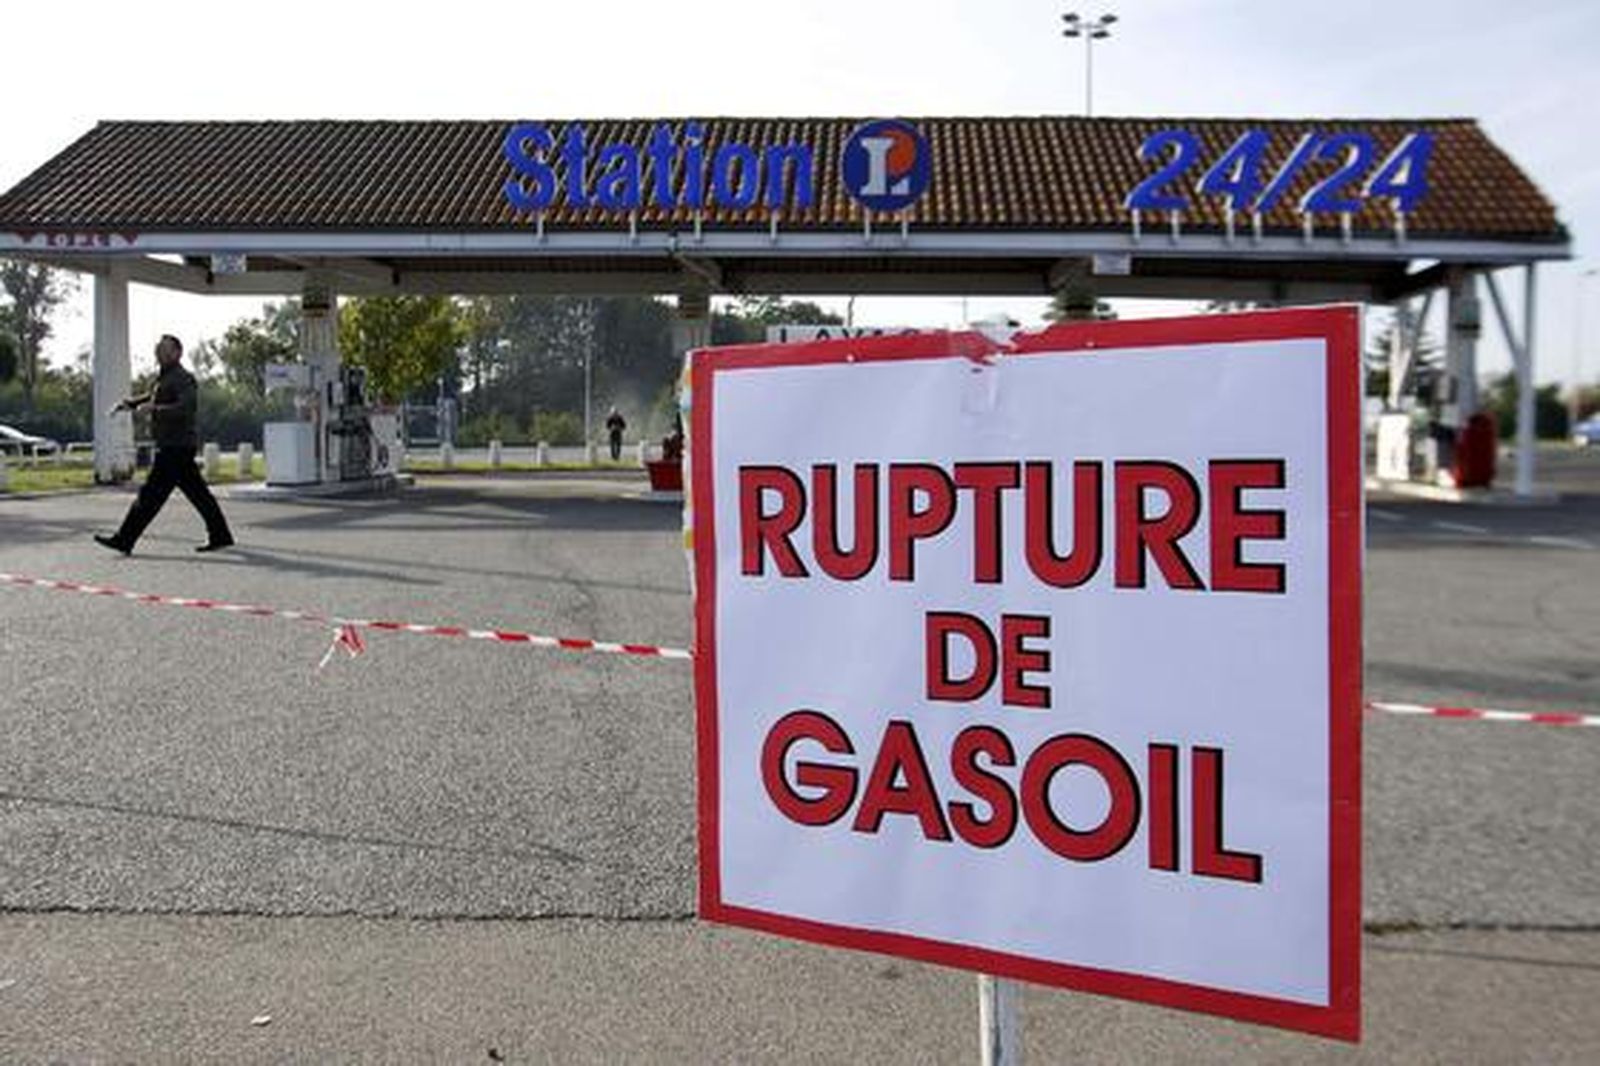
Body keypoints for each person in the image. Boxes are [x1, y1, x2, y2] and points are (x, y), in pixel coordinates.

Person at [93, 334, 235, 556]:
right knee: (198, 494)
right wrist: (129, 404)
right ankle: (221, 535)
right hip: (173, 445)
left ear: (178, 353)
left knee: (150, 495)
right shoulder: (165, 378)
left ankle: (124, 539)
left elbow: (186, 408)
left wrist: (154, 410)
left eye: (165, 349)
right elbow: (153, 396)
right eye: (158, 348)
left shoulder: (183, 378)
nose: (159, 352)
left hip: (176, 446)